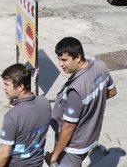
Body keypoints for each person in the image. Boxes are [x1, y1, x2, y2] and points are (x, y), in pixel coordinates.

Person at [45, 37, 117, 167]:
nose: (61, 64)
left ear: (78, 58)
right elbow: (112, 92)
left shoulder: (76, 90)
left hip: (72, 147)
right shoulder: (100, 66)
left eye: (64, 60)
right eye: (59, 59)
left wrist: (54, 156)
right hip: (90, 136)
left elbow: (69, 127)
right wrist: (92, 103)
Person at [0, 63, 51, 167]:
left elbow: (4, 154)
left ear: (20, 87)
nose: (4, 88)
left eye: (7, 84)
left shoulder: (12, 116)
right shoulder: (45, 103)